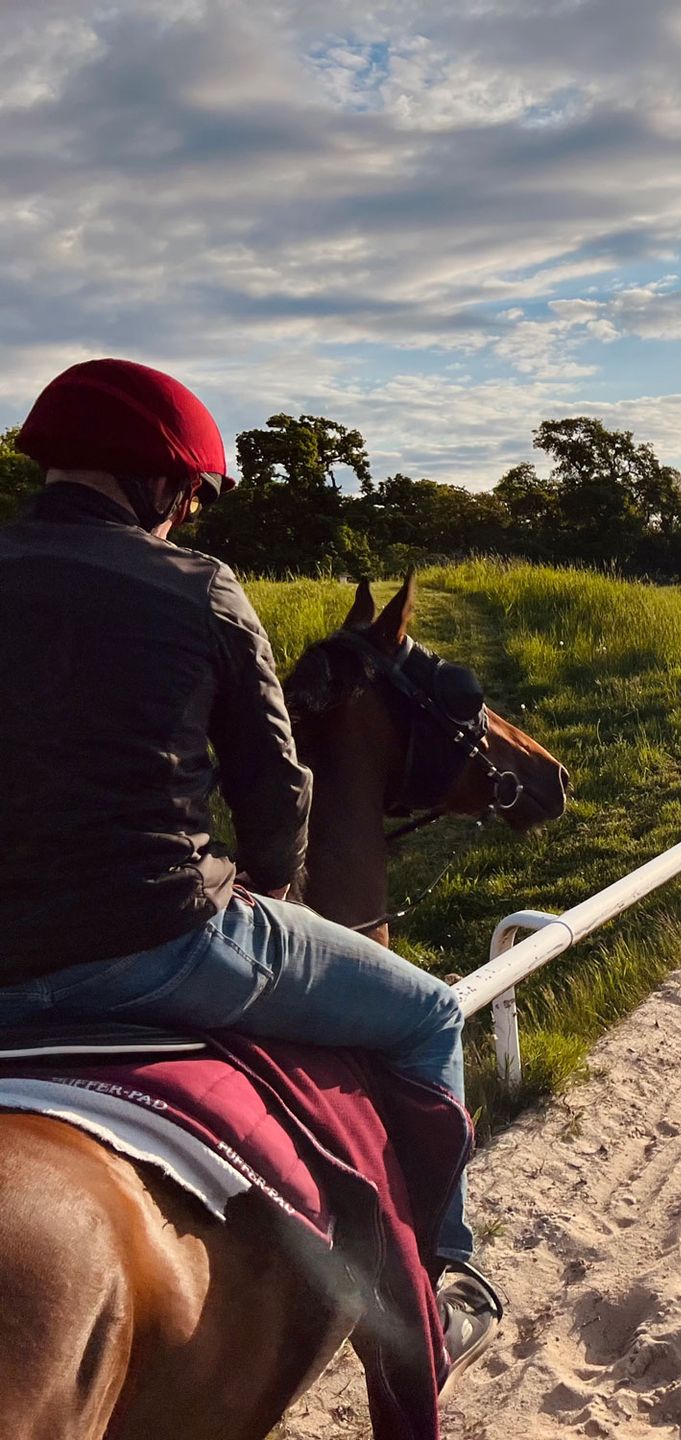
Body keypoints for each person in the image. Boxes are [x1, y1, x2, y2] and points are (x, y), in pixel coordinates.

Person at [0, 358, 501, 1383]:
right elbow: (277, 793)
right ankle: (443, 1283)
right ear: (162, 485)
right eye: (188, 494)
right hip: (159, 941)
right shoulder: (200, 588)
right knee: (430, 1017)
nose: (186, 513)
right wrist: (268, 886)